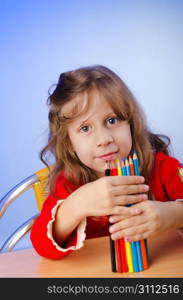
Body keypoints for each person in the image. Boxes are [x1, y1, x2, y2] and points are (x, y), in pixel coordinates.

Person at [30, 65, 183, 259]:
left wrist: (173, 215)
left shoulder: (163, 168)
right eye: (85, 128)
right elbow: (42, 247)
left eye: (112, 121)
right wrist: (75, 207)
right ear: (69, 143)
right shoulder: (68, 184)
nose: (104, 139)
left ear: (131, 123)